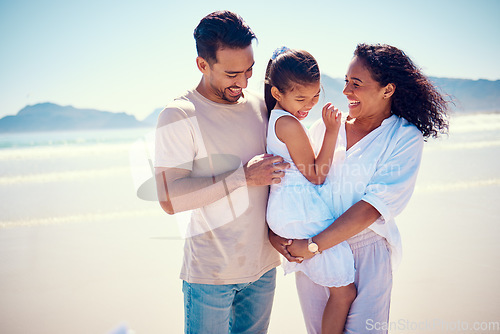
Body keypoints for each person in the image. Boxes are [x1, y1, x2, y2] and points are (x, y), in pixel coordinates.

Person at [269, 43, 449, 334]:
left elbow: (371, 208)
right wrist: (276, 235)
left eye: (356, 83)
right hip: (312, 252)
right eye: (345, 82)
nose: (345, 92)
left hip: (363, 252)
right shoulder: (325, 128)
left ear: (387, 89)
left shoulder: (404, 137)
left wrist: (314, 245)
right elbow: (292, 185)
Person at [154, 11, 289, 334]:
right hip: (210, 276)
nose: (242, 82)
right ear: (202, 64)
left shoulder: (261, 105)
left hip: (264, 268)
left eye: (249, 71)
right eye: (231, 73)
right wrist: (242, 177)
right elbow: (169, 199)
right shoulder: (179, 114)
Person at [264, 47, 356, 334]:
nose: (310, 104)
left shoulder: (278, 117)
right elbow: (316, 176)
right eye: (301, 98)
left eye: (315, 96)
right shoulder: (289, 123)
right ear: (278, 93)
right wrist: (331, 130)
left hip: (289, 211)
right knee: (345, 292)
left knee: (339, 290)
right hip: (298, 214)